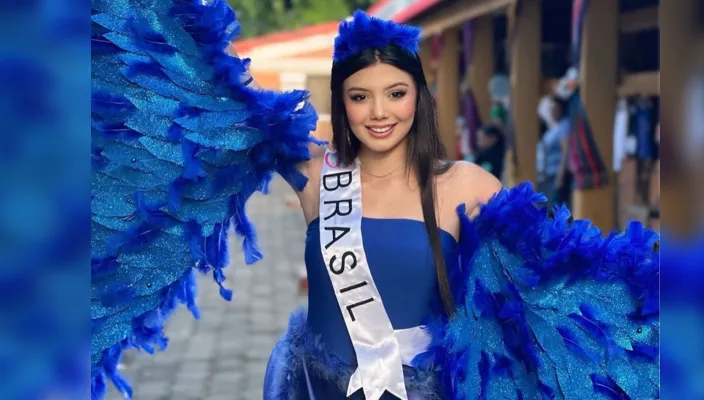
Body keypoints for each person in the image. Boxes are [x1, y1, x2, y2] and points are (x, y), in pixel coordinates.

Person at [91, 5, 659, 400]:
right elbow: (209, 122)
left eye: (396, 93)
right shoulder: (314, 170)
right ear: (340, 102)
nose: (379, 112)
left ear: (420, 97)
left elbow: (553, 277)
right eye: (359, 97)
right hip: (313, 386)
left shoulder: (466, 185)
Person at [537, 95, 572, 208]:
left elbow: (565, 151)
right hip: (546, 173)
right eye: (550, 109)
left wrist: (560, 176)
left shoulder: (564, 126)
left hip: (556, 173)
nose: (552, 111)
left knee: (555, 206)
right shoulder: (552, 127)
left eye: (555, 109)